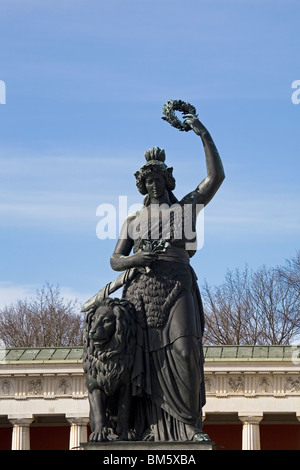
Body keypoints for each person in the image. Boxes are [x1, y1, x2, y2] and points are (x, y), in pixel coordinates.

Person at [110, 113, 225, 441]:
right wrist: (138, 257)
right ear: (143, 185)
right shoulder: (133, 220)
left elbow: (215, 177)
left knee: (185, 350)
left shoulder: (184, 210)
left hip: (177, 285)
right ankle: (146, 428)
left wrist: (201, 131)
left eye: (159, 179)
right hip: (141, 293)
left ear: (167, 181)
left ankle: (188, 426)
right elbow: (115, 260)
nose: (155, 185)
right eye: (149, 182)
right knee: (141, 362)